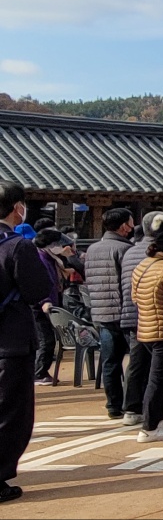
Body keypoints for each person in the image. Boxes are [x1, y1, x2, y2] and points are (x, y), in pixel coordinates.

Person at [0, 181, 55, 503]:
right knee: (10, 412)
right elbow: (38, 290)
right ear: (18, 208)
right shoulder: (17, 246)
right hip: (11, 340)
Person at [117, 211, 163, 422]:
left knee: (136, 363)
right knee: (159, 369)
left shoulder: (130, 251)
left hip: (132, 312)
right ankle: (158, 413)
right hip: (157, 317)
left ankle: (131, 408)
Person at [133, 223, 163, 443]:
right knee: (160, 380)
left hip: (145, 328)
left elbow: (134, 297)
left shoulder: (143, 265)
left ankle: (153, 422)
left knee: (152, 378)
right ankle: (150, 426)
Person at [86, 207, 136, 422]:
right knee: (136, 360)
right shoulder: (125, 250)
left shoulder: (92, 249)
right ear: (124, 226)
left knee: (110, 361)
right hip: (124, 312)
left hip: (101, 312)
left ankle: (113, 405)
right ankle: (132, 404)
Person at [33, 229, 75, 385]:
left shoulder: (51, 259)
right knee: (46, 340)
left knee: (47, 339)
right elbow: (39, 283)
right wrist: (45, 301)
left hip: (49, 304)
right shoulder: (41, 260)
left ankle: (40, 372)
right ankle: (39, 373)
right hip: (41, 306)